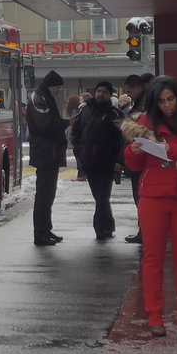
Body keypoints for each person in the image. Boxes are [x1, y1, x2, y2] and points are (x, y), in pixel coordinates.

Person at [126, 76, 177, 337]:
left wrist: (171, 149)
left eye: (170, 99)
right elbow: (134, 166)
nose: (167, 105)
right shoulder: (144, 124)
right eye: (161, 101)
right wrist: (133, 153)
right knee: (153, 258)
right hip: (153, 198)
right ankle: (155, 317)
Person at [70, 81, 123, 240]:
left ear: (109, 94)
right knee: (99, 195)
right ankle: (107, 225)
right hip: (90, 161)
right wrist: (79, 150)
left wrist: (118, 160)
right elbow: (76, 132)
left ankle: (102, 228)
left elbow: (121, 138)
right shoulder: (85, 110)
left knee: (102, 195)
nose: (100, 94)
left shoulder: (114, 113)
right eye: (98, 91)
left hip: (107, 162)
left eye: (104, 92)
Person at [26, 70, 68, 246]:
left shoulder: (44, 97)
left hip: (49, 151)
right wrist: (68, 122)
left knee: (48, 193)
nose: (58, 91)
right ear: (51, 85)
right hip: (45, 152)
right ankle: (40, 234)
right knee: (43, 193)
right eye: (57, 88)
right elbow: (45, 124)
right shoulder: (39, 98)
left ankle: (45, 230)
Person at [119, 73, 152, 244]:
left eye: (130, 91)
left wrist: (124, 125)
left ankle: (144, 231)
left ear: (140, 87)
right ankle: (144, 230)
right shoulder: (143, 102)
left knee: (140, 197)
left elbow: (139, 129)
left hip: (140, 157)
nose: (129, 95)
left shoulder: (144, 105)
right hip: (139, 156)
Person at [64, 93, 86, 181]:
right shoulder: (80, 110)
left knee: (78, 156)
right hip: (78, 137)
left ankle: (81, 174)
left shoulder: (75, 111)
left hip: (76, 137)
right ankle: (82, 174)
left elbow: (73, 125)